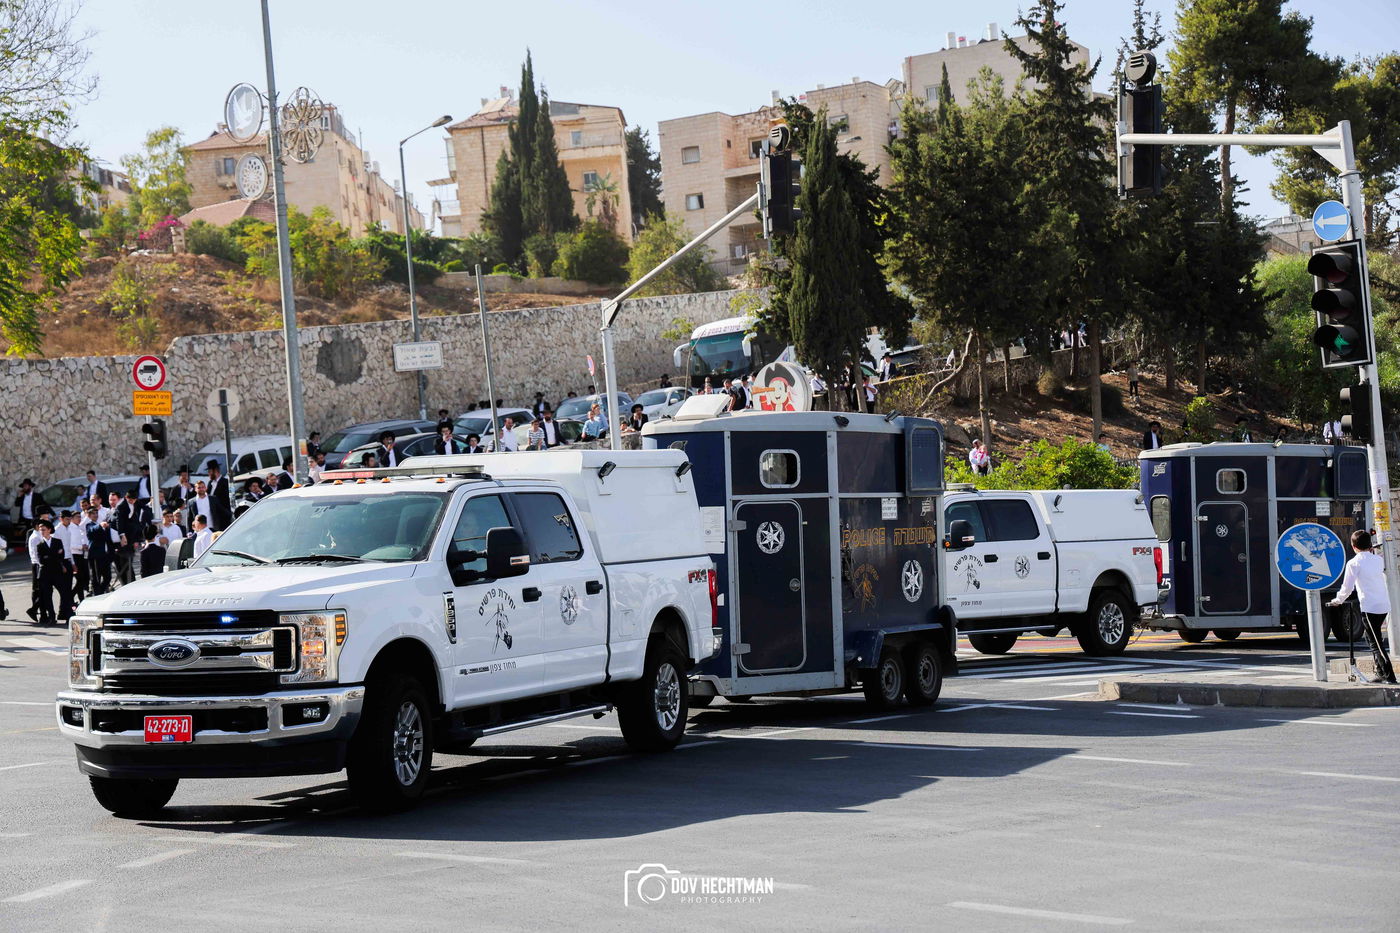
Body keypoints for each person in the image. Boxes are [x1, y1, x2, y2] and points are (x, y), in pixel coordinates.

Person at [1328, 530, 1398, 684]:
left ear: (1353, 547)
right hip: (1383, 604)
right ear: (1370, 545)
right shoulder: (1378, 560)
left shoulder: (1354, 563)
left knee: (1375, 643)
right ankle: (1380, 672)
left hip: (1370, 606)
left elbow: (1347, 588)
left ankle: (1389, 676)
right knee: (1371, 637)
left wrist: (1338, 600)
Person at [33, 520, 71, 626]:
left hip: (57, 572)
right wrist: (54, 555)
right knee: (47, 596)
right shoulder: (40, 545)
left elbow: (61, 556)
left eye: (44, 530)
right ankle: (51, 617)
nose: (42, 532)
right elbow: (41, 560)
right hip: (45, 573)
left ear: (49, 530)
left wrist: (50, 556)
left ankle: (68, 615)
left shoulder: (57, 541)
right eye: (40, 530)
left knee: (65, 593)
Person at [84, 506, 114, 596]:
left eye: (96, 513)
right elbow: (92, 530)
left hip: (105, 555)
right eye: (93, 513)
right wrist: (100, 525)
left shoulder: (101, 525)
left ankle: (100, 591)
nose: (95, 515)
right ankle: (97, 593)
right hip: (96, 555)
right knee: (96, 577)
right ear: (88, 515)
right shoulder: (89, 525)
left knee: (108, 577)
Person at [59, 510, 87, 603]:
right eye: (77, 517)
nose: (79, 519)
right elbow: (70, 545)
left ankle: (79, 598)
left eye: (80, 517)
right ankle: (71, 598)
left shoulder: (76, 528)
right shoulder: (69, 528)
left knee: (82, 579)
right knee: (79, 579)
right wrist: (81, 547)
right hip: (73, 555)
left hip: (78, 555)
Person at [206, 460, 233, 531]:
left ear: (215, 470)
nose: (208, 474)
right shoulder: (210, 483)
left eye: (209, 471)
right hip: (212, 517)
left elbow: (228, 499)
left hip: (223, 517)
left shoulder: (225, 482)